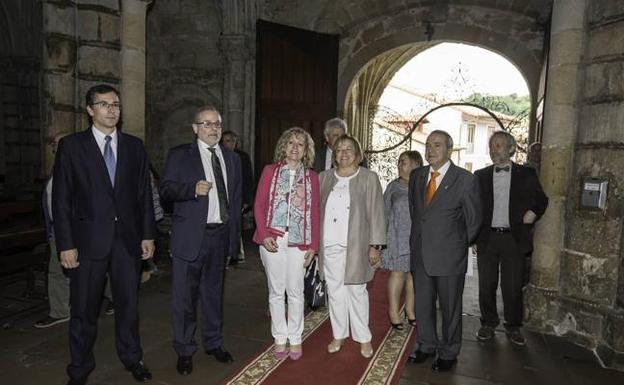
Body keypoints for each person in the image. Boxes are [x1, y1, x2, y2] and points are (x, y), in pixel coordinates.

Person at [52, 84, 156, 385]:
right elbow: (62, 199)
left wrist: (147, 235)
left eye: (116, 105)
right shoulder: (72, 146)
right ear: (89, 109)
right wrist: (66, 244)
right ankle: (80, 369)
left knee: (129, 307)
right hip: (86, 244)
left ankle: (132, 358)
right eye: (104, 104)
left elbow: (143, 197)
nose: (112, 110)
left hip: (126, 241)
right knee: (84, 310)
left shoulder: (134, 147)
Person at [160, 105, 242, 376]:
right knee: (184, 298)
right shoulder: (180, 155)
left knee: (213, 296)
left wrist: (233, 242)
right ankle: (184, 350)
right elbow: (166, 190)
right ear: (195, 128)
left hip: (219, 236)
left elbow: (237, 201)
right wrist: (191, 190)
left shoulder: (232, 158)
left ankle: (214, 343)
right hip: (190, 237)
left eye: (216, 124)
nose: (212, 128)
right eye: (206, 124)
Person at [407, 130, 482, 372]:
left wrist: (456, 246)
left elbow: (474, 221)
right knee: (423, 304)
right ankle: (426, 345)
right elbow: (417, 214)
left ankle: (449, 351)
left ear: (449, 149)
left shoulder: (465, 179)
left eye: (437, 145)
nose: (430, 150)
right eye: (428, 145)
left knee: (450, 308)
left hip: (449, 256)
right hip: (421, 254)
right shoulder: (417, 176)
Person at [474, 131, 548, 346]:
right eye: (491, 146)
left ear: (510, 149)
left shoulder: (526, 174)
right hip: (488, 238)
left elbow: (541, 200)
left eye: (498, 145)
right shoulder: (480, 175)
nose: (494, 149)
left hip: (513, 239)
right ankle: (488, 323)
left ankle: (513, 326)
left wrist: (532, 214)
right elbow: (472, 206)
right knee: (486, 284)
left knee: (512, 286)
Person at [253, 127, 319, 361]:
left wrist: (313, 246)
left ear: (306, 150)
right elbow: (259, 205)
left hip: (300, 241)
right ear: (283, 145)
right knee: (276, 291)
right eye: (291, 142)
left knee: (296, 291)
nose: (294, 147)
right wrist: (264, 234)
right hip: (273, 238)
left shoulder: (311, 177)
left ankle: (296, 338)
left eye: (300, 144)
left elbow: (315, 214)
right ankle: (280, 338)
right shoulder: (270, 171)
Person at [318, 134, 385, 359]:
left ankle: (363, 337)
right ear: (334, 155)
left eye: (349, 149)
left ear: (357, 154)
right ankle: (339, 334)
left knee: (357, 291)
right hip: (329, 244)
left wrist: (375, 245)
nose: (344, 153)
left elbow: (376, 213)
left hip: (356, 245)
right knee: (335, 291)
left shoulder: (368, 177)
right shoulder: (324, 178)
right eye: (339, 149)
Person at [381, 150, 423, 330]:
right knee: (398, 274)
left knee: (413, 276)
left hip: (417, 238)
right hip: (397, 238)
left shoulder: (422, 184)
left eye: (403, 162)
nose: (399, 165)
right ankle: (393, 311)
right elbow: (383, 212)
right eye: (399, 162)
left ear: (415, 164)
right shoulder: (393, 186)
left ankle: (410, 310)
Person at [34, 133, 70, 329]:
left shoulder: (77, 165)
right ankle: (61, 310)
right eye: (55, 143)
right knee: (58, 270)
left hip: (73, 229)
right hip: (58, 228)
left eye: (61, 142)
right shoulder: (57, 167)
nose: (57, 146)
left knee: (77, 270)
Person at [221, 130, 254, 265]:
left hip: (238, 197)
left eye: (230, 140)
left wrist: (247, 200)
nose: (227, 143)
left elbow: (248, 179)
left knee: (236, 225)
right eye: (225, 141)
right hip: (224, 197)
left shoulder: (242, 157)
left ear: (236, 142)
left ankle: (236, 253)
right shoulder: (219, 155)